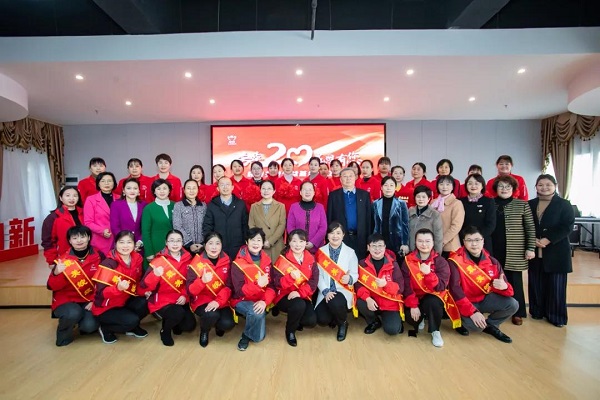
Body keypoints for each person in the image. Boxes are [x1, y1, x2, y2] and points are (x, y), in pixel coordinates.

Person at [448, 226, 518, 343]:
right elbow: (455, 291)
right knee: (476, 327)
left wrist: (504, 287)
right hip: (465, 302)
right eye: (469, 240)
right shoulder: (455, 261)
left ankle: (491, 325)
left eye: (477, 240)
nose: (474, 244)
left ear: (483, 241)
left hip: (484, 298)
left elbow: (509, 292)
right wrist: (472, 312)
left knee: (513, 304)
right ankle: (462, 322)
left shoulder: (493, 262)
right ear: (464, 242)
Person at [528, 174, 575, 328]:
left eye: (548, 184)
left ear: (555, 186)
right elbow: (525, 224)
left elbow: (567, 226)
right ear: (536, 187)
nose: (544, 188)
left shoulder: (564, 204)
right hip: (535, 250)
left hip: (556, 250)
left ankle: (556, 316)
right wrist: (532, 239)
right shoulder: (530, 204)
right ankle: (537, 311)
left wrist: (547, 239)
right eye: (540, 185)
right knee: (536, 282)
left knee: (556, 286)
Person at [402, 228, 460, 348]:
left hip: (433, 296)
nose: (424, 244)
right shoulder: (408, 261)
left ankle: (435, 331)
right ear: (415, 242)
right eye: (420, 241)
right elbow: (406, 285)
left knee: (432, 302)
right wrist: (413, 305)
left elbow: (441, 286)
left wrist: (429, 274)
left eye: (427, 241)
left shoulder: (441, 262)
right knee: (411, 319)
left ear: (433, 242)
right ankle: (422, 317)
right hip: (415, 297)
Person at [46, 226, 103, 346]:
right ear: (70, 241)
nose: (79, 240)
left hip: (88, 299)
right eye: (75, 238)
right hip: (66, 300)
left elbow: (102, 282)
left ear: (89, 238)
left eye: (83, 237)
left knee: (89, 326)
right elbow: (52, 286)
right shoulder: (63, 260)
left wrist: (95, 300)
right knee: (73, 313)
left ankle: (80, 323)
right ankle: (64, 334)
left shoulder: (99, 256)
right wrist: (57, 273)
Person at [491, 175, 535, 325]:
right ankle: (497, 309)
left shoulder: (522, 205)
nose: (504, 189)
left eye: (508, 187)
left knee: (515, 281)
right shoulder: (491, 203)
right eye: (501, 186)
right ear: (496, 188)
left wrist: (530, 247)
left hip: (515, 249)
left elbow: (530, 227)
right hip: (494, 248)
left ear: (513, 189)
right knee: (494, 279)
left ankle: (518, 312)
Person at [140, 230, 196, 346]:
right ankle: (165, 331)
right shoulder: (158, 261)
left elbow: (191, 282)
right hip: (163, 299)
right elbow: (144, 286)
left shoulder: (188, 258)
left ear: (182, 242)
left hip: (180, 297)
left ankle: (174, 322)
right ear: (166, 242)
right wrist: (155, 275)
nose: (175, 244)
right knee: (177, 313)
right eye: (171, 241)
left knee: (189, 326)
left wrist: (185, 295)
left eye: (178, 241)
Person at [92, 230, 149, 344]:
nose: (125, 246)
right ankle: (106, 328)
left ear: (134, 244)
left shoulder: (137, 259)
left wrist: (145, 292)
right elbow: (101, 293)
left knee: (147, 301)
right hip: (107, 307)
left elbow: (137, 282)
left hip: (125, 300)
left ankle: (131, 327)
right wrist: (117, 289)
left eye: (129, 242)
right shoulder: (109, 264)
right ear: (115, 244)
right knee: (131, 321)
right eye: (121, 242)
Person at [230, 228, 276, 351]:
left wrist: (264, 302)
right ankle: (247, 335)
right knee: (256, 314)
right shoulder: (238, 263)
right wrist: (258, 285)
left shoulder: (267, 261)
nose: (256, 243)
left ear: (263, 243)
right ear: (247, 242)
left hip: (260, 299)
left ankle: (247, 333)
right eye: (252, 240)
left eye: (259, 240)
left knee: (258, 338)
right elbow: (239, 291)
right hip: (242, 299)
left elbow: (271, 286)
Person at [271, 229, 319, 346]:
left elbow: (313, 282)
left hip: (302, 294)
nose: (298, 245)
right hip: (284, 295)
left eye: (301, 241)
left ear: (306, 243)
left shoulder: (311, 259)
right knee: (298, 305)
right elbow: (277, 283)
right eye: (294, 241)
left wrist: (299, 293)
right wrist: (290, 278)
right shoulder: (282, 259)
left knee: (311, 321)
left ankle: (296, 320)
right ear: (289, 242)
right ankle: (290, 331)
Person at [187, 232, 235, 347]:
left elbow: (229, 286)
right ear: (205, 245)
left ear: (221, 245)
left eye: (217, 243)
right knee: (212, 315)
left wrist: (218, 302)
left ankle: (218, 325)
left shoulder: (227, 260)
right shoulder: (196, 262)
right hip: (202, 300)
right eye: (210, 243)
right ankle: (204, 330)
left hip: (221, 299)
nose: (214, 247)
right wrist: (202, 281)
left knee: (228, 323)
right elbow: (190, 291)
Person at [314, 222, 358, 341]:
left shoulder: (350, 252)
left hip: (342, 290)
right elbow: (318, 276)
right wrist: (325, 291)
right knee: (322, 320)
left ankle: (343, 323)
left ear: (343, 235)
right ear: (327, 235)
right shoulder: (320, 252)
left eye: (338, 233)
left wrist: (350, 278)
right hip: (326, 292)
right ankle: (335, 316)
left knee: (335, 302)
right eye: (332, 233)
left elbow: (355, 274)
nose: (335, 236)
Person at [355, 234, 405, 336]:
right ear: (368, 247)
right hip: (372, 301)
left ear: (385, 247)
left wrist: (386, 284)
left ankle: (394, 320)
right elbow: (358, 285)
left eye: (380, 246)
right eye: (374, 246)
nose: (377, 249)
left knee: (392, 330)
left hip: (389, 303)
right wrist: (367, 298)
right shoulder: (362, 264)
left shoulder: (393, 264)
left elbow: (400, 288)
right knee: (361, 302)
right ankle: (374, 321)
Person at [327, 168, 373, 260]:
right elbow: (329, 218)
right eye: (345, 176)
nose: (348, 178)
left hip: (360, 238)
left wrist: (369, 240)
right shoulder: (333, 195)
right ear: (340, 179)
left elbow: (369, 219)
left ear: (355, 177)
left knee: (360, 264)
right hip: (341, 238)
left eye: (350, 176)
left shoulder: (364, 195)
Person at [202, 176, 249, 260]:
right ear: (218, 188)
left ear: (232, 187)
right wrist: (210, 243)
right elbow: (207, 226)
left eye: (227, 184)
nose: (225, 187)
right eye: (222, 185)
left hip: (237, 246)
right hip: (218, 247)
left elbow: (245, 225)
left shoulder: (240, 204)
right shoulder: (212, 205)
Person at [42, 186, 84, 267]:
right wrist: (52, 261)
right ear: (61, 198)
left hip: (85, 256)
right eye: (68, 195)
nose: (71, 198)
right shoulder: (53, 217)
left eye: (75, 195)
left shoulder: (84, 213)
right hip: (64, 258)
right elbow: (48, 242)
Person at [248, 180, 286, 260]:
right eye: (263, 188)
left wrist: (270, 241)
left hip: (276, 244)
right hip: (259, 245)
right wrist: (260, 241)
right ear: (260, 190)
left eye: (269, 188)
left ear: (274, 191)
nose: (266, 191)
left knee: (277, 266)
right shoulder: (254, 206)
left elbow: (282, 225)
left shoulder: (280, 206)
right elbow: (251, 225)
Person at [287, 181, 327, 255]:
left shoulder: (320, 207)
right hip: (297, 248)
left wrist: (313, 242)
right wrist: (299, 242)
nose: (307, 192)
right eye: (305, 189)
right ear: (300, 192)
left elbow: (323, 228)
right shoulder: (294, 207)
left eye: (310, 190)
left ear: (314, 192)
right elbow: (290, 227)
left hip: (317, 248)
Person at [373, 176, 410, 257]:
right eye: (386, 185)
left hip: (397, 242)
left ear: (395, 187)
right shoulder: (376, 203)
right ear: (381, 188)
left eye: (391, 185)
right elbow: (373, 224)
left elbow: (405, 225)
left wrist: (405, 243)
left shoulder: (401, 203)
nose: (388, 188)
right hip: (379, 242)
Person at [84, 171, 119, 254]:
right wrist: (102, 231)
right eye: (103, 181)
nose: (106, 183)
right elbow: (88, 222)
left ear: (114, 183)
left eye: (109, 181)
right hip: (100, 240)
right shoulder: (91, 200)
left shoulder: (120, 199)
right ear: (98, 184)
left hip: (119, 239)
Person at [141, 179, 174, 268]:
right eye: (158, 189)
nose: (162, 191)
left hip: (174, 247)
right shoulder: (149, 208)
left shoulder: (176, 205)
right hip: (156, 247)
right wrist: (149, 252)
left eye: (164, 188)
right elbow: (145, 232)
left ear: (169, 190)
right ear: (154, 191)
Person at [460, 173, 496, 255]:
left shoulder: (488, 201)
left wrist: (477, 238)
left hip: (483, 241)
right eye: (470, 183)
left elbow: (491, 224)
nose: (473, 186)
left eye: (477, 183)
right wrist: (466, 237)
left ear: (482, 186)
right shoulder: (460, 201)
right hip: (465, 240)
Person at [431, 175, 465, 258]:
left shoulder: (456, 203)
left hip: (449, 246)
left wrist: (442, 241)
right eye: (441, 184)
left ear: (453, 187)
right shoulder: (433, 202)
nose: (444, 187)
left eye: (448, 184)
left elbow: (456, 226)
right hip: (433, 245)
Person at [110, 177, 146, 251]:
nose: (132, 191)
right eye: (129, 188)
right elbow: (115, 227)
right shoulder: (116, 205)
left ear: (139, 191)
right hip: (121, 245)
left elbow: (145, 227)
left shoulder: (144, 205)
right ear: (123, 190)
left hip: (139, 246)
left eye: (135, 188)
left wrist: (139, 242)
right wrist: (126, 243)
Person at [172, 179, 207, 256]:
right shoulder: (178, 205)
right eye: (188, 188)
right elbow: (177, 226)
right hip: (185, 247)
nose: (191, 191)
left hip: (202, 246)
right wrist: (189, 243)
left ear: (198, 190)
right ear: (184, 190)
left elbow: (207, 225)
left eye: (194, 188)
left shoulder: (203, 206)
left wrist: (204, 243)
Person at [408, 186, 443, 254]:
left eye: (424, 197)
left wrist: (437, 254)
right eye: (418, 197)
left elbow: (438, 236)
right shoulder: (410, 211)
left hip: (427, 251)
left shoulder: (435, 214)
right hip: (411, 251)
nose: (421, 199)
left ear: (429, 199)